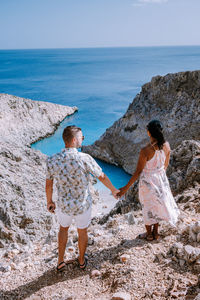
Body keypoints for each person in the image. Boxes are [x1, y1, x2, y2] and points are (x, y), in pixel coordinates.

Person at [45, 125, 119, 271]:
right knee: (82, 231)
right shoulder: (85, 158)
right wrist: (113, 190)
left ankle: (60, 261)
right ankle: (81, 260)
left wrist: (50, 201)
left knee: (63, 229)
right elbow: (102, 176)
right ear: (74, 140)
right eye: (81, 137)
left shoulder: (52, 160)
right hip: (82, 205)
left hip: (64, 206)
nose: (83, 139)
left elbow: (49, 185)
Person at [118, 120, 180, 241]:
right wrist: (159, 176)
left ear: (148, 132)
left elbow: (138, 172)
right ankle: (156, 232)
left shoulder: (145, 150)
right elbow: (165, 165)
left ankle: (149, 234)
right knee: (157, 205)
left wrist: (125, 188)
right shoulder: (167, 145)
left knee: (147, 206)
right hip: (161, 179)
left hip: (148, 181)